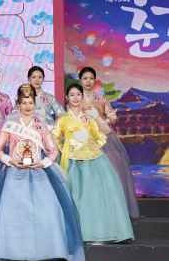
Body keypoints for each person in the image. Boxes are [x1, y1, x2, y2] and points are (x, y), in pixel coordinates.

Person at [0, 85, 85, 261]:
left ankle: (35, 256)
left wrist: (43, 162)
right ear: (18, 104)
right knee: (14, 215)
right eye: (24, 103)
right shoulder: (10, 125)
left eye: (30, 102)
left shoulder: (40, 125)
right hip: (14, 173)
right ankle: (16, 255)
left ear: (34, 103)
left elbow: (53, 150)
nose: (27, 106)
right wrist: (9, 160)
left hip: (38, 173)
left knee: (41, 213)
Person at [52, 84, 134, 244]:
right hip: (72, 162)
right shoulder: (62, 119)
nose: (75, 98)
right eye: (72, 95)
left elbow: (102, 136)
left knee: (95, 196)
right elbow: (55, 139)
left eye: (78, 94)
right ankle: (76, 234)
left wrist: (91, 143)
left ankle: (98, 232)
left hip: (93, 159)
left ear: (82, 96)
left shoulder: (89, 117)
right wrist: (67, 148)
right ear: (67, 98)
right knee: (75, 196)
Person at [78, 66, 140, 219]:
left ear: (95, 80)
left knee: (113, 170)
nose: (88, 81)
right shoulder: (76, 98)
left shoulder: (101, 99)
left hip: (103, 138)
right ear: (80, 80)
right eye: (85, 78)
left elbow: (113, 116)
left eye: (91, 78)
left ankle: (114, 210)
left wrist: (105, 120)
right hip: (83, 138)